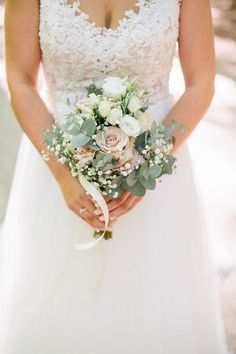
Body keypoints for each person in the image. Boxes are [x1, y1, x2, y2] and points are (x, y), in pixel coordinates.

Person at [0, 0, 228, 353]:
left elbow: (201, 83)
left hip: (157, 177)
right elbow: (20, 80)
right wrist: (63, 174)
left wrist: (148, 164)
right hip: (58, 167)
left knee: (155, 307)